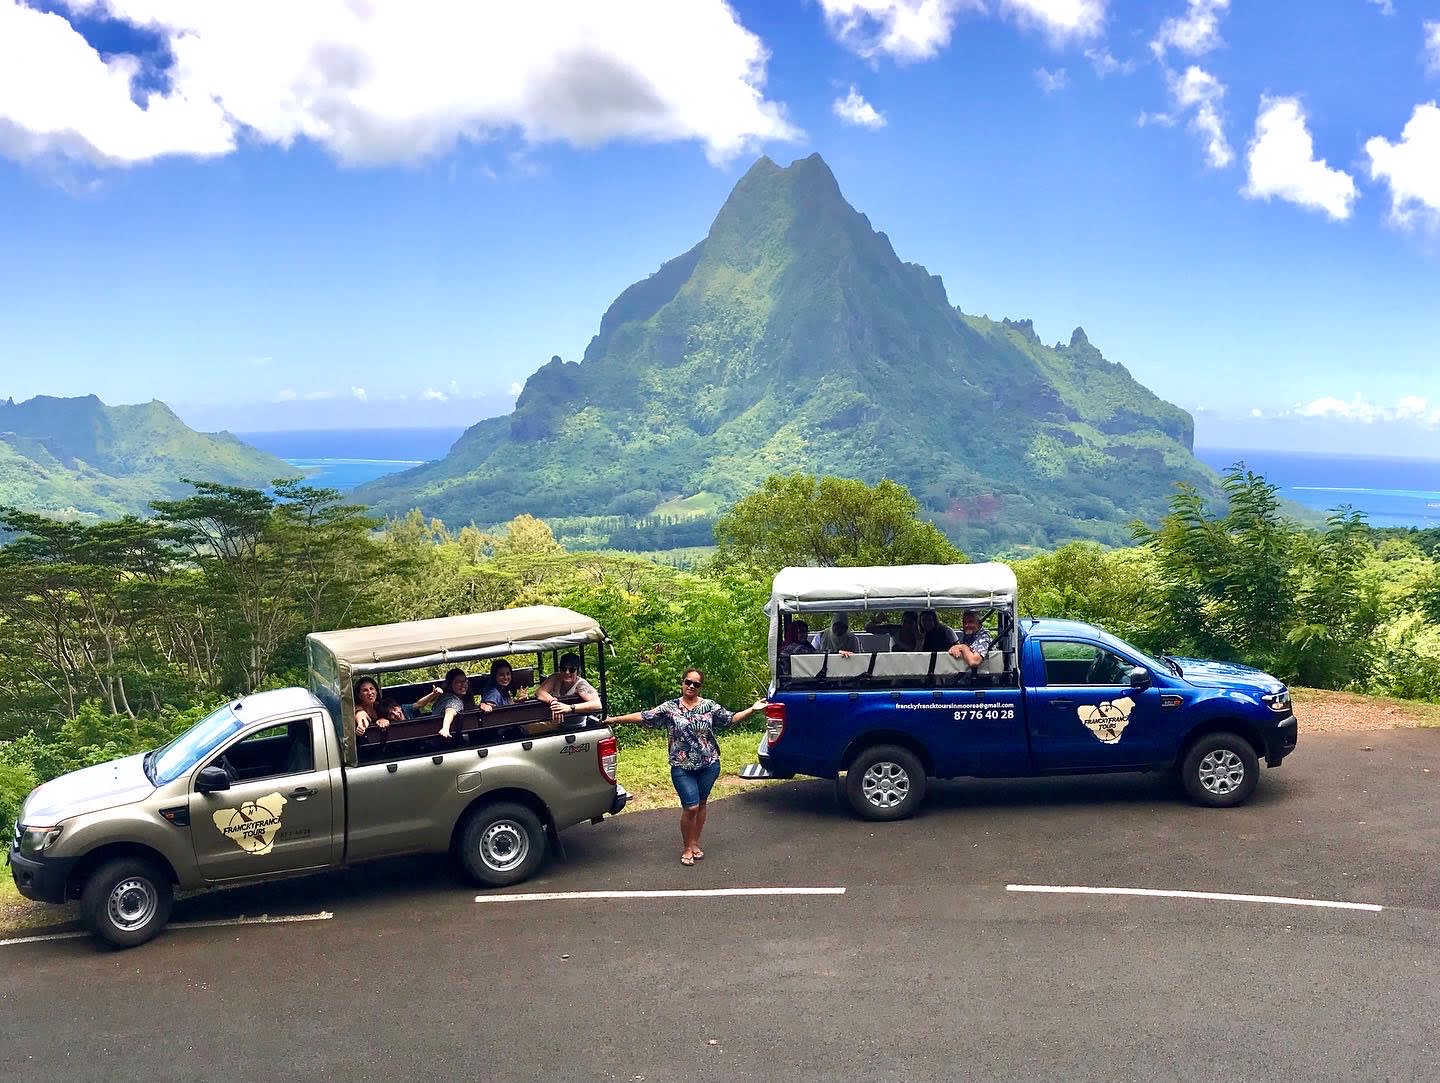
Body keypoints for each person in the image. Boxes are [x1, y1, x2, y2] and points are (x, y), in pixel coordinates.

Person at [603, 669, 768, 866]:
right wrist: (614, 719)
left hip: (709, 764)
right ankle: (687, 846)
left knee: (702, 803)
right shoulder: (670, 708)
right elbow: (644, 716)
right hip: (682, 766)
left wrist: (752, 709)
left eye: (696, 684)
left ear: (700, 687)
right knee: (691, 806)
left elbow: (730, 719)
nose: (691, 686)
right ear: (682, 683)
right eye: (688, 682)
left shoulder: (709, 706)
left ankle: (695, 843)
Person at [535, 653, 602, 725]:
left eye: (571, 670)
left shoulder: (581, 685)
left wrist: (570, 708)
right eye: (564, 669)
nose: (567, 672)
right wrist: (553, 701)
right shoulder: (555, 678)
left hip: (575, 726)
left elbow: (597, 705)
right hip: (555, 725)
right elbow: (540, 692)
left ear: (578, 671)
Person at [429, 667, 476, 740]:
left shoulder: (446, 696)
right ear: (450, 685)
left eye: (464, 681)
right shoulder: (452, 699)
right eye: (458, 682)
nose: (463, 684)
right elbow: (450, 710)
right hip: (442, 738)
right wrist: (445, 728)